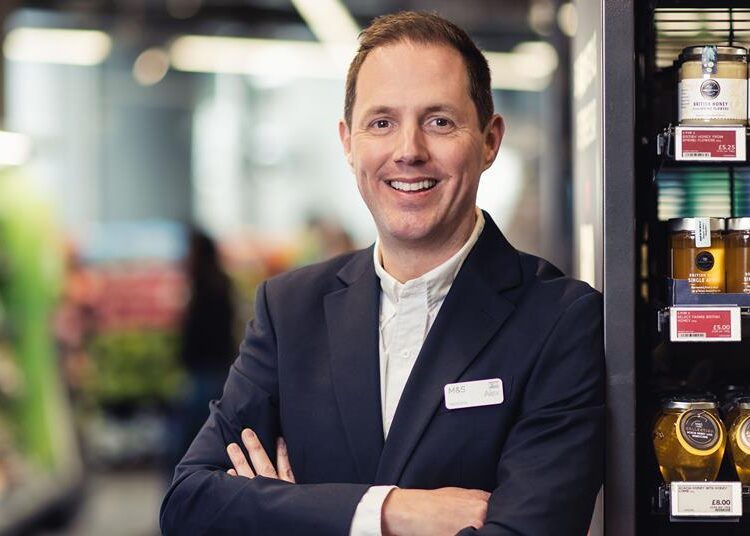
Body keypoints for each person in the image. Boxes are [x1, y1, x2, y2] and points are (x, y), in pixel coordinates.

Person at [160, 11, 604, 536]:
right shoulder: (290, 310)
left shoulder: (560, 319)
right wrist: (389, 512)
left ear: (489, 140)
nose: (408, 151)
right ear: (348, 143)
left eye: (439, 121)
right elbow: (190, 504)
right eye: (381, 123)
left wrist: (289, 508)